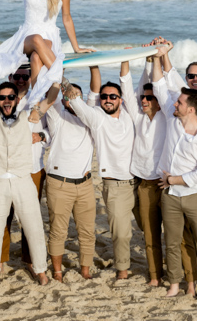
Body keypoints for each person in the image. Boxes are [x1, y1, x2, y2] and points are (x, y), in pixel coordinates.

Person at [151, 58, 197, 311]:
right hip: (170, 196)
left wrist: (172, 179)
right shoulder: (172, 120)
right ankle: (174, 284)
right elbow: (159, 84)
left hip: (194, 197)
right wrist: (156, 56)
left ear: (190, 109)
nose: (175, 104)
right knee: (171, 241)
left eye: (179, 103)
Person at [0, 71, 49, 285]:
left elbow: (48, 99)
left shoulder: (27, 117)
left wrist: (56, 76)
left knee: (33, 226)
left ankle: (41, 270)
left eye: (10, 97)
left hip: (23, 179)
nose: (6, 101)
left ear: (16, 99)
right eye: (2, 97)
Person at [64, 68, 136, 280]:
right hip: (117, 186)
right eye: (104, 97)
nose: (108, 100)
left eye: (113, 96)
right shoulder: (97, 117)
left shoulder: (129, 114)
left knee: (150, 229)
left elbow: (131, 87)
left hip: (142, 181)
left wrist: (98, 65)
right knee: (122, 233)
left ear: (120, 100)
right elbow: (76, 102)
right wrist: (62, 78)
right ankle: (123, 272)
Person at [40, 76, 97, 281]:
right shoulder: (58, 117)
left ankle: (85, 270)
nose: (74, 101)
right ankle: (57, 271)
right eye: (70, 98)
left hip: (85, 184)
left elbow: (94, 90)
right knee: (58, 231)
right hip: (59, 183)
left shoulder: (90, 118)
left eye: (77, 98)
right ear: (64, 100)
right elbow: (52, 94)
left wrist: (93, 65)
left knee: (87, 231)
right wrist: (60, 76)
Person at [120, 57, 168, 286]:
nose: (145, 100)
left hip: (165, 182)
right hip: (143, 183)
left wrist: (155, 61)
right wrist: (126, 61)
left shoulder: (167, 118)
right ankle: (156, 275)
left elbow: (162, 85)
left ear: (159, 101)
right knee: (149, 233)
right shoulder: (138, 117)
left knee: (175, 233)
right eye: (144, 98)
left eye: (150, 98)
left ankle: (186, 272)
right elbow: (128, 89)